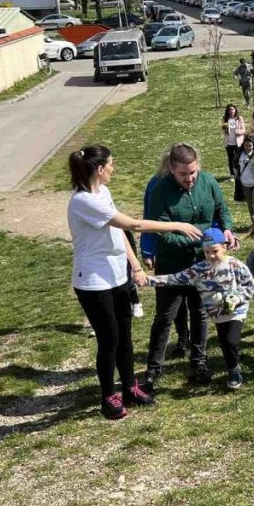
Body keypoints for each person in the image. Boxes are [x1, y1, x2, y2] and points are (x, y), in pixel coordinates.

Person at [68, 145, 202, 418]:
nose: (114, 169)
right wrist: (176, 225)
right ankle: (108, 397)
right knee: (109, 340)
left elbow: (118, 233)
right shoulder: (83, 201)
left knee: (125, 337)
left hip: (117, 275)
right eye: (112, 164)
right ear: (100, 169)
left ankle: (130, 387)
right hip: (94, 281)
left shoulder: (102, 192)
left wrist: (135, 265)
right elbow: (134, 225)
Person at [143, 143, 239, 393]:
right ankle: (153, 368)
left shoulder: (208, 182)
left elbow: (222, 210)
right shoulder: (159, 189)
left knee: (200, 312)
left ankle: (198, 362)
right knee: (165, 316)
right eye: (184, 174)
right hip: (172, 264)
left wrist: (226, 228)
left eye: (193, 172)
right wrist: (199, 241)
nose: (190, 178)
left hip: (203, 263)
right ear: (172, 169)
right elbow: (159, 231)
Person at [145, 228, 254, 391]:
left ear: (224, 247)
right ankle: (233, 363)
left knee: (231, 340)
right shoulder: (199, 270)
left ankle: (233, 371)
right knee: (225, 342)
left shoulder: (236, 265)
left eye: (215, 251)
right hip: (217, 314)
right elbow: (175, 278)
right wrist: (148, 280)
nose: (211, 256)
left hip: (236, 311)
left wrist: (238, 298)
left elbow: (250, 286)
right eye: (206, 252)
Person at [140, 152, 190, 359]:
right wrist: (147, 250)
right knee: (173, 303)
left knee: (195, 303)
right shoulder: (156, 184)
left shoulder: (194, 182)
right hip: (167, 252)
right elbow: (148, 218)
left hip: (191, 250)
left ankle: (195, 346)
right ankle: (182, 338)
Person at [222, 104, 246, 178]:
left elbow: (244, 130)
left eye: (232, 109)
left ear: (235, 110)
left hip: (238, 142)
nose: (231, 111)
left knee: (238, 158)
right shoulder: (225, 119)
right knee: (231, 159)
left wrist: (239, 132)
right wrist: (225, 131)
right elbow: (221, 130)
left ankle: (240, 172)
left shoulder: (239, 118)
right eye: (229, 110)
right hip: (229, 142)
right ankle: (232, 174)